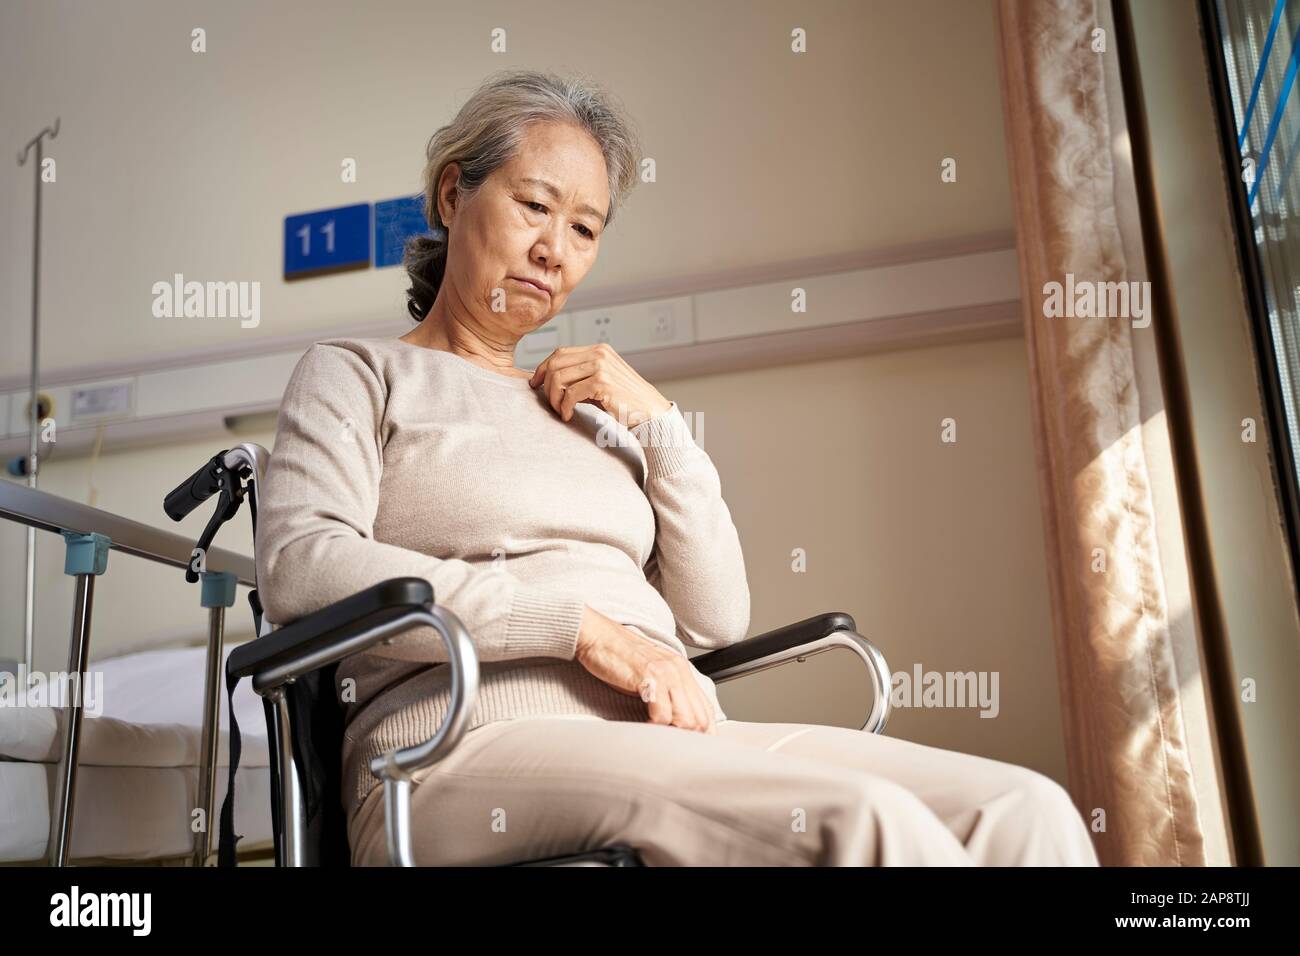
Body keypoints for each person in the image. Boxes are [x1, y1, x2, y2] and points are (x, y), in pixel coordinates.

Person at [255, 68, 1100, 866]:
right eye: (534, 206)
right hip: (456, 749)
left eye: (583, 230)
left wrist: (662, 429)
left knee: (1023, 811)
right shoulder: (355, 374)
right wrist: (580, 630)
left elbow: (712, 620)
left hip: (671, 732)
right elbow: (303, 568)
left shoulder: (590, 416)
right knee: (866, 826)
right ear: (453, 194)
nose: (554, 250)